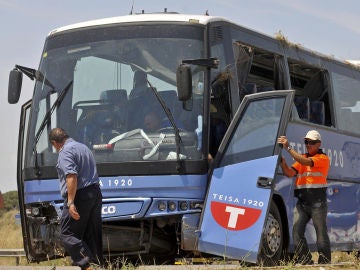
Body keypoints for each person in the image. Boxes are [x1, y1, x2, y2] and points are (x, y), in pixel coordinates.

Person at [49, 128, 103, 270]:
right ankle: (98, 266)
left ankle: (86, 265)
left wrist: (71, 202)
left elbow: (71, 176)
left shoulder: (65, 151)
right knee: (91, 233)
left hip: (80, 196)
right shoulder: (83, 147)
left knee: (67, 233)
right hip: (95, 192)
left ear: (54, 143)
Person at [277, 130, 331, 265]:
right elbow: (289, 173)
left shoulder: (322, 158)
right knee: (296, 232)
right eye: (306, 142)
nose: (308, 145)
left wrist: (288, 148)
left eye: (312, 142)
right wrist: (282, 163)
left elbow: (305, 162)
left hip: (318, 204)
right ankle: (305, 259)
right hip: (302, 203)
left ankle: (325, 261)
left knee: (321, 234)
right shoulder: (302, 158)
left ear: (319, 144)